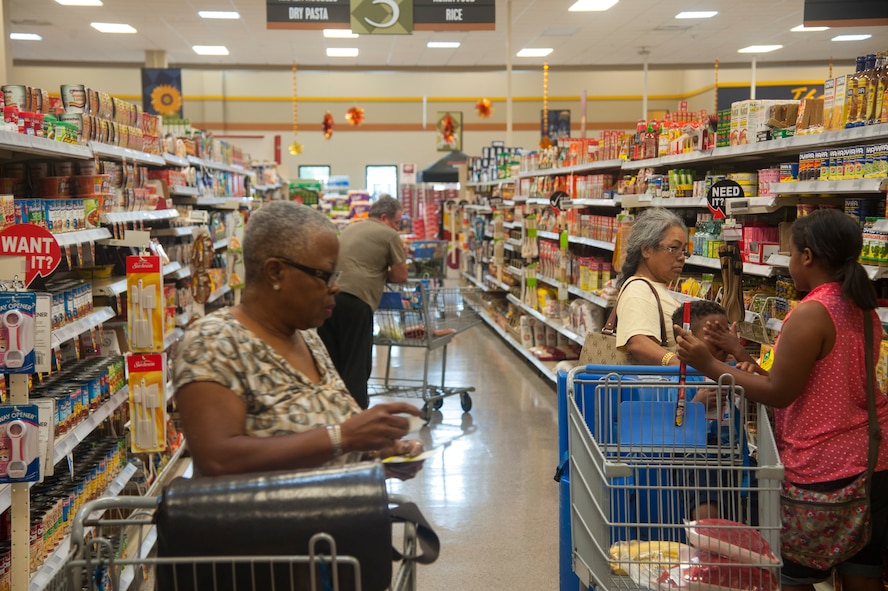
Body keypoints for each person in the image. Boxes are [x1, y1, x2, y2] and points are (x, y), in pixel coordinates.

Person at [675, 209, 888, 591]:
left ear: (807, 257)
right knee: (862, 575)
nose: (788, 263)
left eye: (790, 254)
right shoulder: (861, 306)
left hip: (823, 470)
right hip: (873, 462)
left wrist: (707, 363)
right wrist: (741, 354)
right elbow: (813, 382)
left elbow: (780, 393)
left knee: (793, 579)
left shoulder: (811, 313)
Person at [173, 201, 424, 478]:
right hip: (267, 521)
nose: (336, 286)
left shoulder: (307, 338)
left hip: (334, 517)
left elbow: (321, 447)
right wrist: (344, 437)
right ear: (276, 272)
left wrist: (374, 457)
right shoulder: (213, 342)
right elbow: (217, 459)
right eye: (325, 275)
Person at [669, 300, 758, 521]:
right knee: (706, 497)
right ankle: (708, 544)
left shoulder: (734, 373)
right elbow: (671, 429)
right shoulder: (683, 378)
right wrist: (695, 406)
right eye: (713, 334)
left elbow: (767, 391)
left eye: (725, 332)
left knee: (757, 497)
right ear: (687, 340)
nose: (722, 341)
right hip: (697, 460)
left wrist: (741, 354)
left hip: (737, 460)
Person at [319, 194, 408, 409]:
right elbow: (400, 275)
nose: (397, 228)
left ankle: (331, 408)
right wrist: (380, 271)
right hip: (357, 300)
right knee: (357, 363)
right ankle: (356, 416)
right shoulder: (389, 235)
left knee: (332, 359)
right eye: (396, 223)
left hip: (328, 296)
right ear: (385, 218)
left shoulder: (351, 228)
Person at [615, 208, 687, 365]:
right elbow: (637, 342)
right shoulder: (638, 289)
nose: (681, 257)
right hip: (653, 387)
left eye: (684, 250)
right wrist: (675, 362)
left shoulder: (653, 287)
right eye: (673, 248)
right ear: (647, 250)